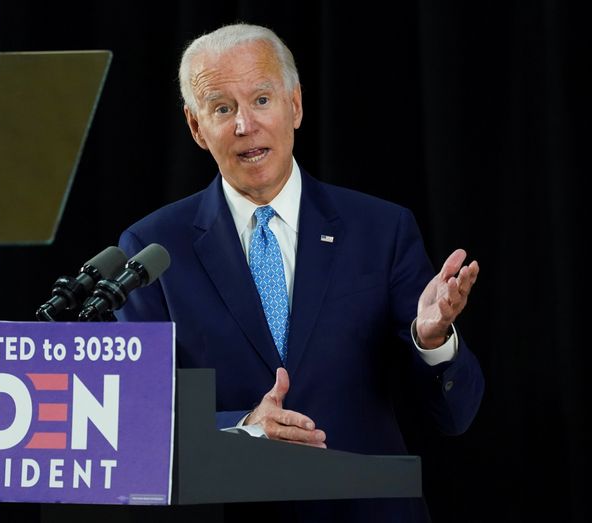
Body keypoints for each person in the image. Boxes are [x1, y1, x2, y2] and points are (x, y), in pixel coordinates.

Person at [115, 23, 484, 522]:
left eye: (262, 100)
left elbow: (453, 416)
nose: (245, 125)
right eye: (222, 109)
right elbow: (138, 411)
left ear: (296, 105)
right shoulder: (152, 247)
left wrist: (432, 340)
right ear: (196, 127)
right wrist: (242, 427)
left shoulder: (381, 229)